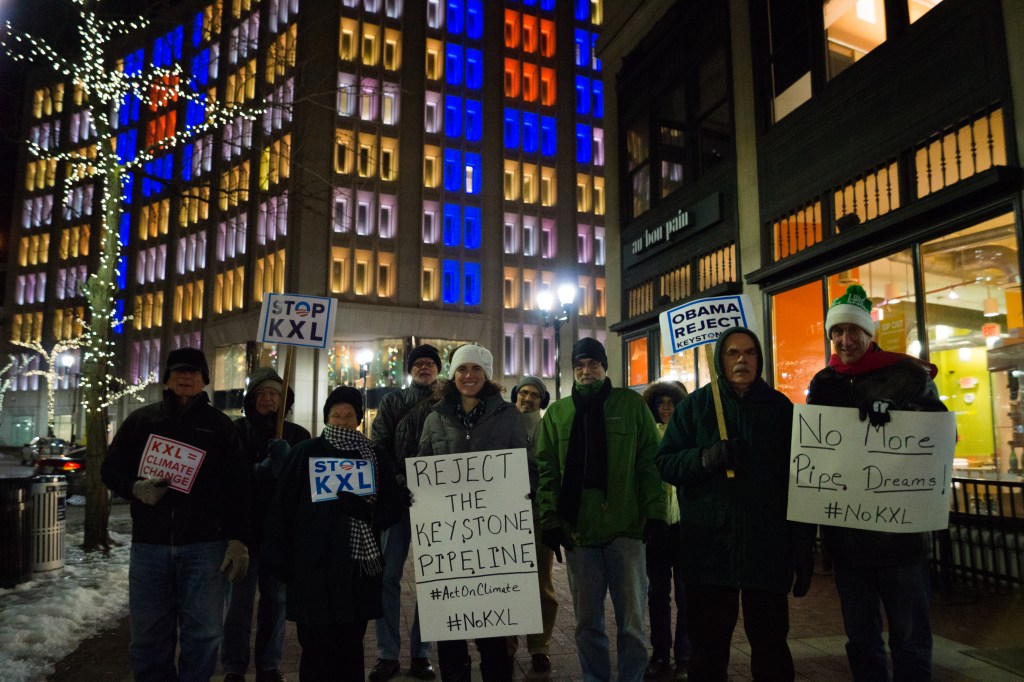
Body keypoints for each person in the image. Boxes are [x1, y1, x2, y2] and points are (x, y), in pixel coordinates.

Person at [656, 328, 814, 681]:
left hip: (766, 548)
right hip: (709, 551)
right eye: (732, 353)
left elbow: (801, 481)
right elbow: (665, 463)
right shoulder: (695, 407)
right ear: (720, 360)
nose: (742, 359)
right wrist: (705, 459)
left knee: (772, 648)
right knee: (708, 651)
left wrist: (802, 545)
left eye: (749, 352)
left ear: (760, 358)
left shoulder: (780, 409)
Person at [807, 285, 945, 681]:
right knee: (861, 638)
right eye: (837, 332)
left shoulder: (907, 375)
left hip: (900, 540)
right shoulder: (824, 383)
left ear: (869, 333)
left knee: (910, 637)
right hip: (848, 541)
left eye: (853, 330)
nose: (845, 340)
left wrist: (899, 416)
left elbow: (940, 436)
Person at [101, 347, 252, 681]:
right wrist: (135, 487)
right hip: (150, 545)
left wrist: (238, 539)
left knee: (205, 634)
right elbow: (110, 469)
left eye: (193, 372)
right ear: (167, 379)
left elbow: (239, 488)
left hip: (205, 546)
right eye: (179, 371)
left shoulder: (220, 427)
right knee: (148, 637)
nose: (186, 377)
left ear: (204, 381)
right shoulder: (141, 421)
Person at [535, 337, 668, 682]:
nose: (586, 370)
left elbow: (649, 463)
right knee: (587, 622)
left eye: (593, 363)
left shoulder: (631, 404)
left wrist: (656, 513)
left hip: (626, 527)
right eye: (579, 365)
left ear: (604, 367)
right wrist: (550, 518)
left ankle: (631, 677)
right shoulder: (559, 413)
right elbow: (547, 470)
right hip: (580, 532)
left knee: (632, 622)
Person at [262, 387, 404, 681]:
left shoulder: (373, 455)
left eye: (348, 415)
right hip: (312, 566)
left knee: (350, 644)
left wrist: (368, 511)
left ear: (358, 420)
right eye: (336, 415)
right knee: (314, 644)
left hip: (355, 569)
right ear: (327, 418)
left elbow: (392, 507)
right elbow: (282, 507)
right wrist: (278, 556)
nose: (342, 421)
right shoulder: (306, 452)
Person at [418, 344, 530, 682]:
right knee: (450, 633)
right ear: (453, 375)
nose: (469, 376)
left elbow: (525, 465)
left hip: (494, 539)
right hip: (449, 542)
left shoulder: (508, 415)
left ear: (487, 375)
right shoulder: (435, 417)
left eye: (476, 369)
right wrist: (414, 491)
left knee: (494, 633)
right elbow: (422, 465)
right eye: (462, 369)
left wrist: (524, 491)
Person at [223, 367, 311, 682]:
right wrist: (257, 470)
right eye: (261, 393)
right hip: (244, 535)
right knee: (238, 607)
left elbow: (305, 486)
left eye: (274, 394)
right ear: (251, 399)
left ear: (284, 400)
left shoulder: (298, 436)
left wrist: (287, 466)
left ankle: (269, 665)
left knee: (276, 605)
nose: (268, 399)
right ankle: (234, 667)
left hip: (279, 537)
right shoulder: (235, 431)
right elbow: (227, 478)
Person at [369, 344, 443, 681]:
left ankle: (421, 652)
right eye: (418, 363)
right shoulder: (392, 402)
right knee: (388, 576)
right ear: (410, 369)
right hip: (399, 500)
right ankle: (387, 654)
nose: (424, 367)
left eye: (430, 363)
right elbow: (379, 446)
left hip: (436, 500)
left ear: (438, 368)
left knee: (432, 578)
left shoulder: (448, 400)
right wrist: (399, 483)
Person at [640, 380, 691, 680]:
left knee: (686, 594)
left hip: (684, 525)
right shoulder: (647, 435)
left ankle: (685, 656)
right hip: (657, 525)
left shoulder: (688, 434)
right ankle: (660, 653)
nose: (666, 408)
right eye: (661, 403)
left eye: (671, 403)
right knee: (657, 593)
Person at [509, 375, 557, 674]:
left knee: (541, 583)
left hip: (537, 514)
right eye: (524, 392)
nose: (527, 398)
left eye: (534, 395)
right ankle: (507, 643)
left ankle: (540, 646)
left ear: (542, 400)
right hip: (506, 516)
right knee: (509, 581)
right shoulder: (503, 423)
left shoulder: (546, 427)